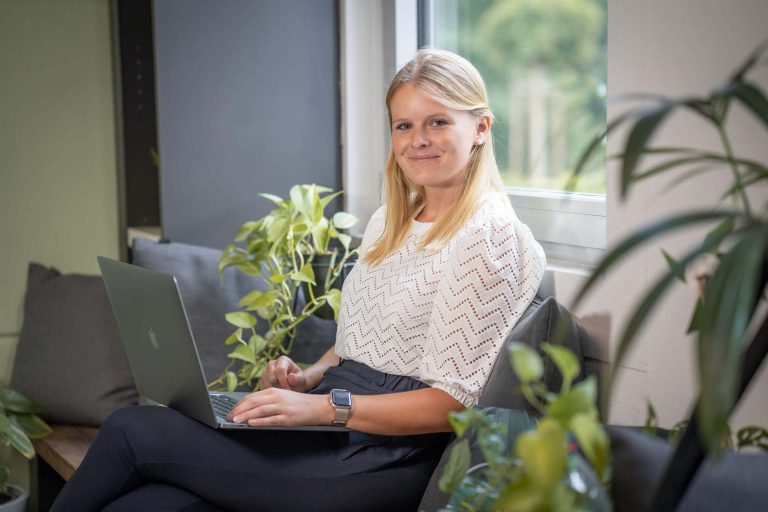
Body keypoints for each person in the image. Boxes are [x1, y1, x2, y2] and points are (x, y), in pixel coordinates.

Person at [51, 49, 546, 512]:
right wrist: (305, 378)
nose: (417, 140)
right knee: (146, 505)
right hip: (331, 422)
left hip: (380, 456)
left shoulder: (489, 235)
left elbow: (453, 404)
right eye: (404, 125)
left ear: (480, 127)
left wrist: (321, 409)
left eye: (438, 122)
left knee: (132, 429)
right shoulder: (389, 222)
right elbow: (361, 348)